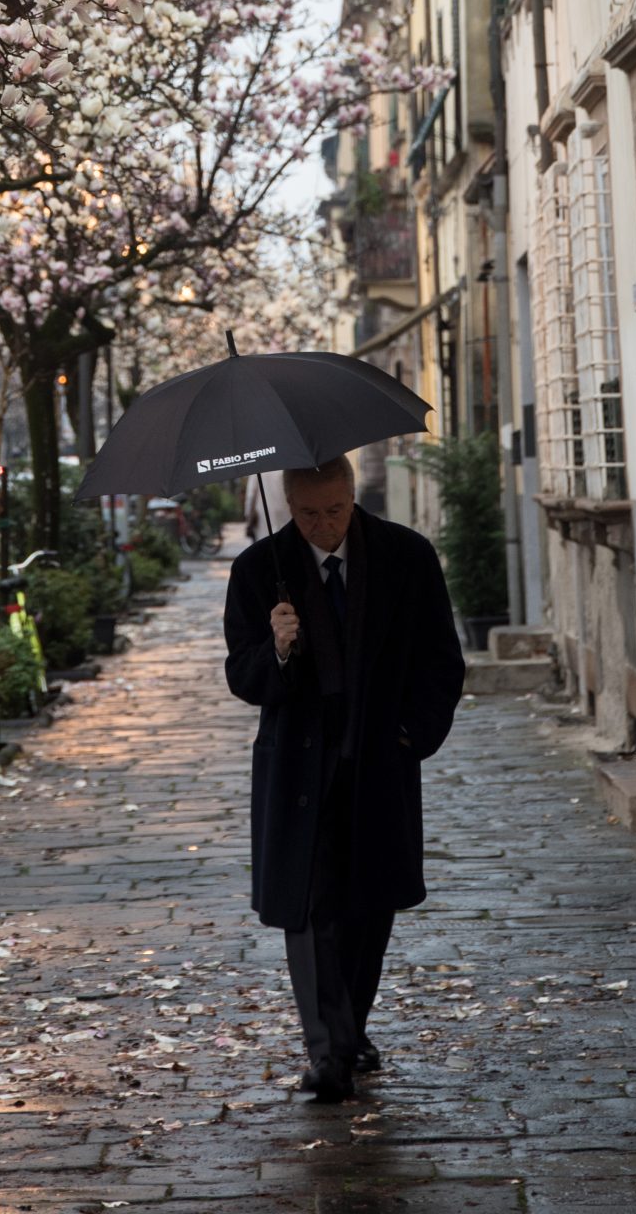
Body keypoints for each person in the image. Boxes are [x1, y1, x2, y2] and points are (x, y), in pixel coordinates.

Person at [223, 455, 465, 1103]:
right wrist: (275, 649)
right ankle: (327, 1053)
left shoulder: (405, 556)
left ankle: (350, 1029)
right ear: (288, 504)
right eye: (307, 514)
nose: (323, 526)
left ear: (352, 497)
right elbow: (241, 676)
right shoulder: (257, 571)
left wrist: (410, 736)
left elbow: (441, 660)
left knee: (367, 908)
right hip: (297, 770)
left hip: (379, 759)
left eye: (334, 510)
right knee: (310, 910)